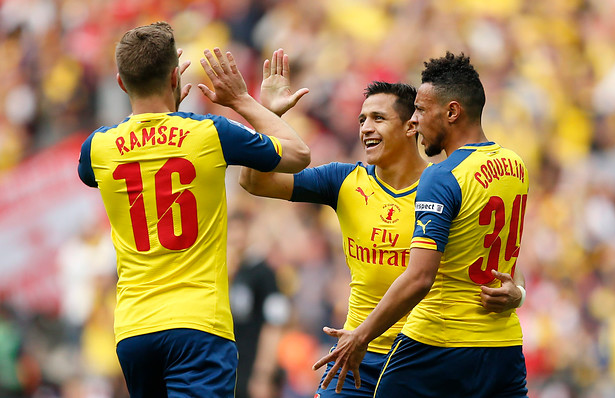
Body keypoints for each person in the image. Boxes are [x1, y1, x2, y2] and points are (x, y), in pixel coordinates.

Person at [240, 50, 524, 397]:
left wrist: (517, 292)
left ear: (411, 126)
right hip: (355, 351)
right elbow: (254, 182)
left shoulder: (447, 182)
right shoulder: (343, 181)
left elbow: (495, 259)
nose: (365, 128)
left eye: (377, 118)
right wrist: (268, 114)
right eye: (361, 120)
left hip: (420, 352)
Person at [76, 22, 310, 398]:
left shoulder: (97, 148)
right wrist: (244, 102)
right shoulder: (208, 134)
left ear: (121, 83)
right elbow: (298, 154)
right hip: (198, 325)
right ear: (175, 76)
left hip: (135, 331)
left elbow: (107, 166)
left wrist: (166, 109)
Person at [227, 210, 290, 398]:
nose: (237, 237)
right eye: (232, 231)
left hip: (252, 366)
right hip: (228, 366)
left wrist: (263, 373)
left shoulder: (264, 273)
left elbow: (275, 324)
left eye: (241, 230)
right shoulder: (222, 272)